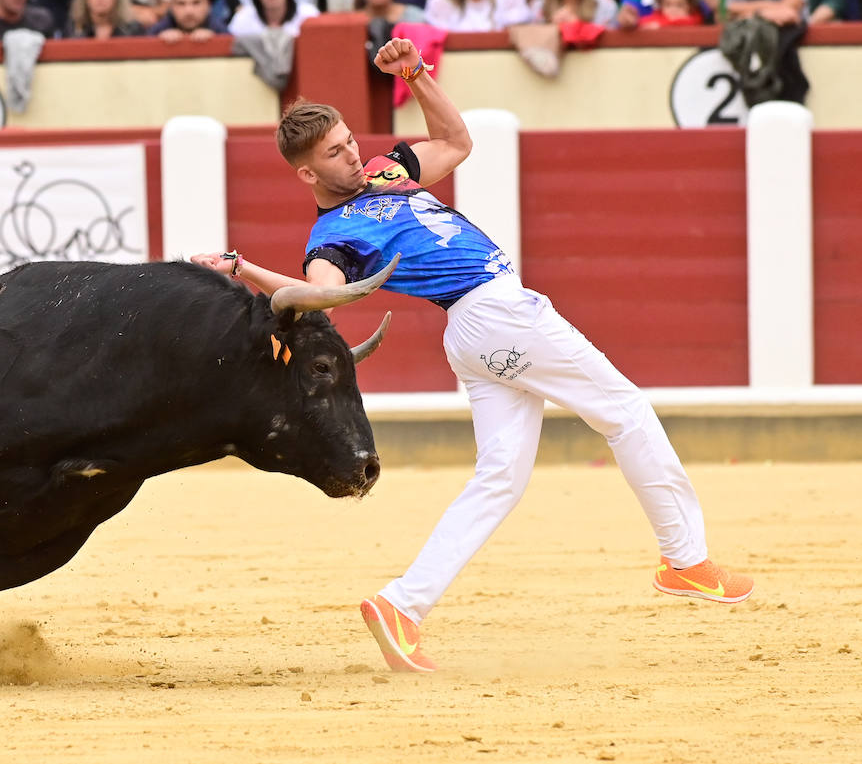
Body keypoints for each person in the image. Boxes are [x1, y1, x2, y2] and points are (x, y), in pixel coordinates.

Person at [191, 36, 755, 673]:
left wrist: (416, 75)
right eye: (334, 153)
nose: (350, 154)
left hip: (476, 332)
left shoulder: (386, 169)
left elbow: (456, 142)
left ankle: (402, 606)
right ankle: (687, 561)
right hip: (494, 310)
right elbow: (321, 295)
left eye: (348, 140)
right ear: (307, 173)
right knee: (624, 409)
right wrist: (243, 268)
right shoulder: (334, 236)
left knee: (500, 478)